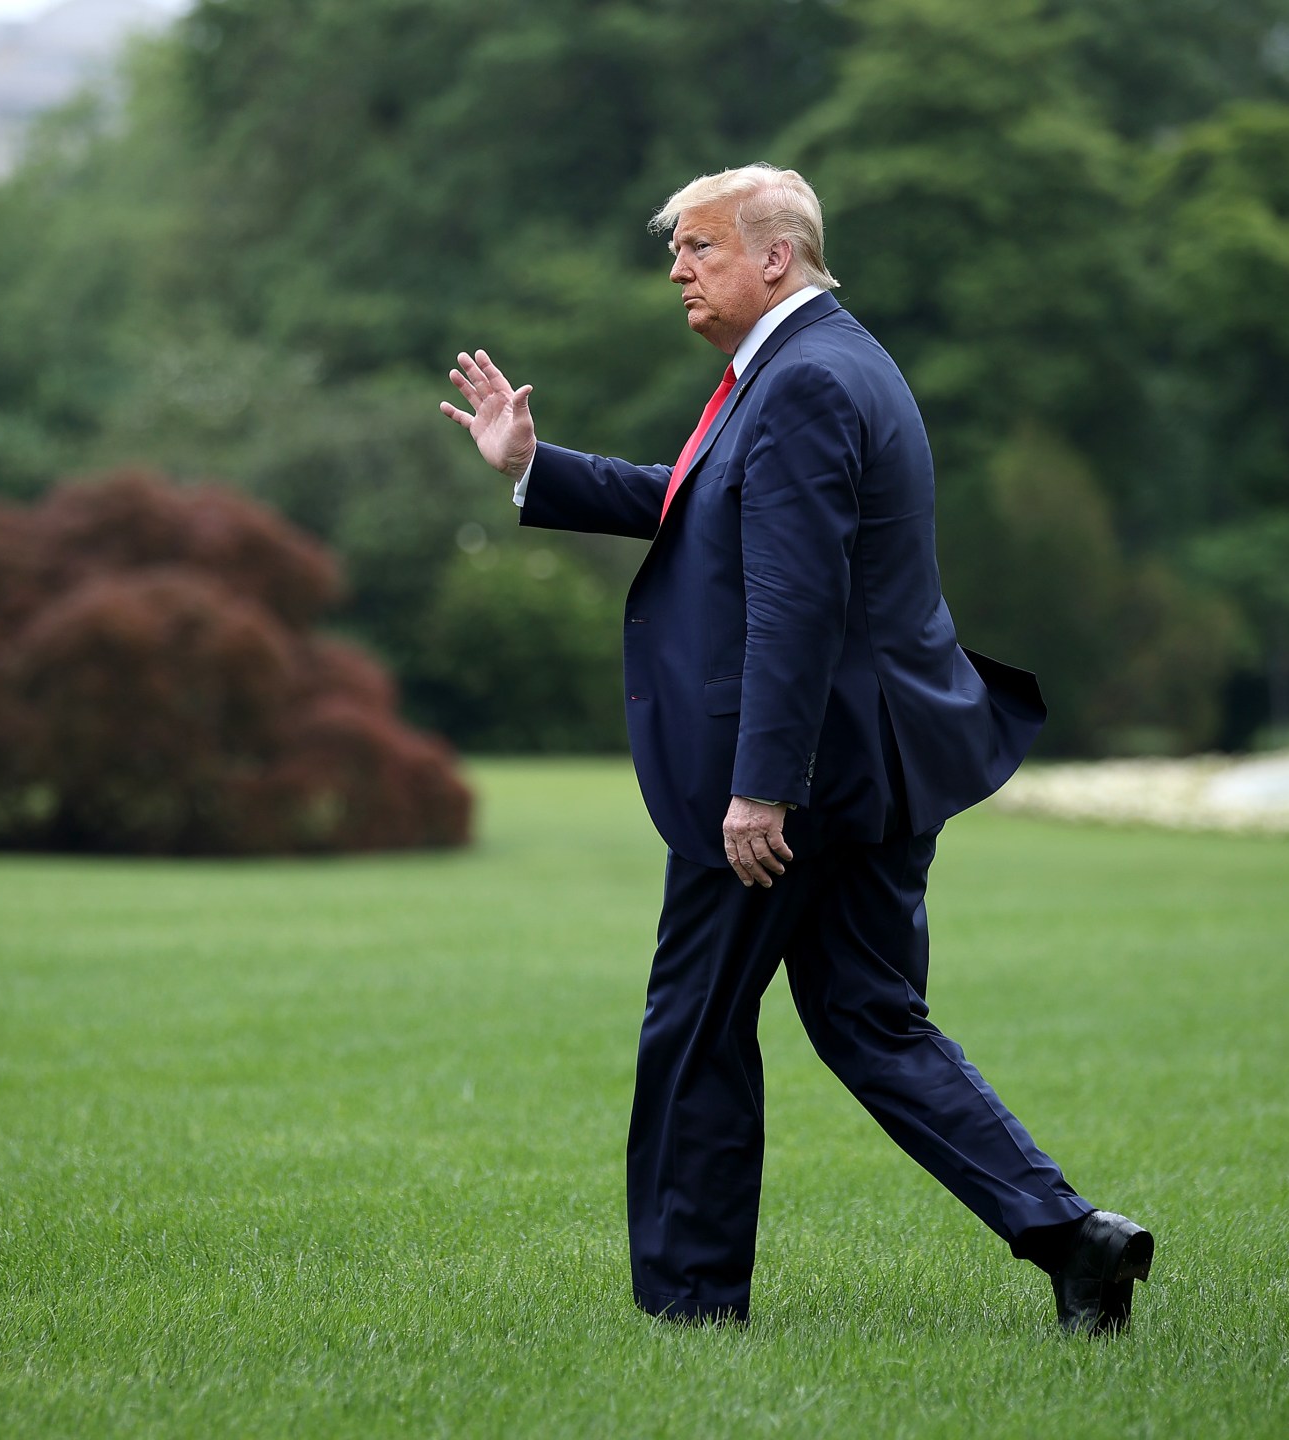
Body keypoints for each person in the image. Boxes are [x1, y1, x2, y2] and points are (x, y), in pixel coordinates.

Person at [438, 164, 1153, 1334]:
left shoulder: (805, 378)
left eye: (700, 247)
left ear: (775, 255)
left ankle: (688, 1305)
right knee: (870, 1018)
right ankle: (1075, 1239)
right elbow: (702, 502)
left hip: (798, 778)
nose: (678, 268)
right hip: (871, 763)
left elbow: (796, 602)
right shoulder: (818, 361)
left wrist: (759, 788)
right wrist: (532, 466)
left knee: (696, 1021)